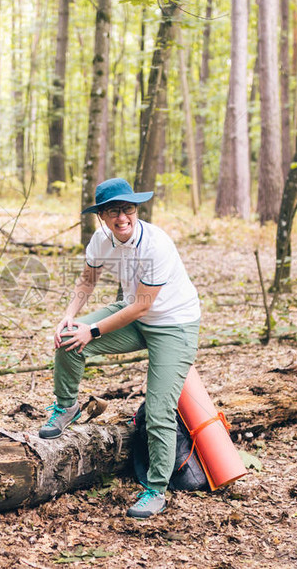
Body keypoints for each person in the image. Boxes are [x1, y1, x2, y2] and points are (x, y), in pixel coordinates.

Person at [40, 178, 200, 518]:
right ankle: (66, 407)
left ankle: (156, 490)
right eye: (113, 210)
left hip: (174, 325)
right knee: (70, 338)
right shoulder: (101, 240)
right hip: (134, 316)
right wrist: (69, 318)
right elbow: (87, 280)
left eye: (127, 209)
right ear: (101, 215)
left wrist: (93, 331)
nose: (122, 217)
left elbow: (142, 305)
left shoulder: (155, 245)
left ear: (136, 210)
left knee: (158, 411)